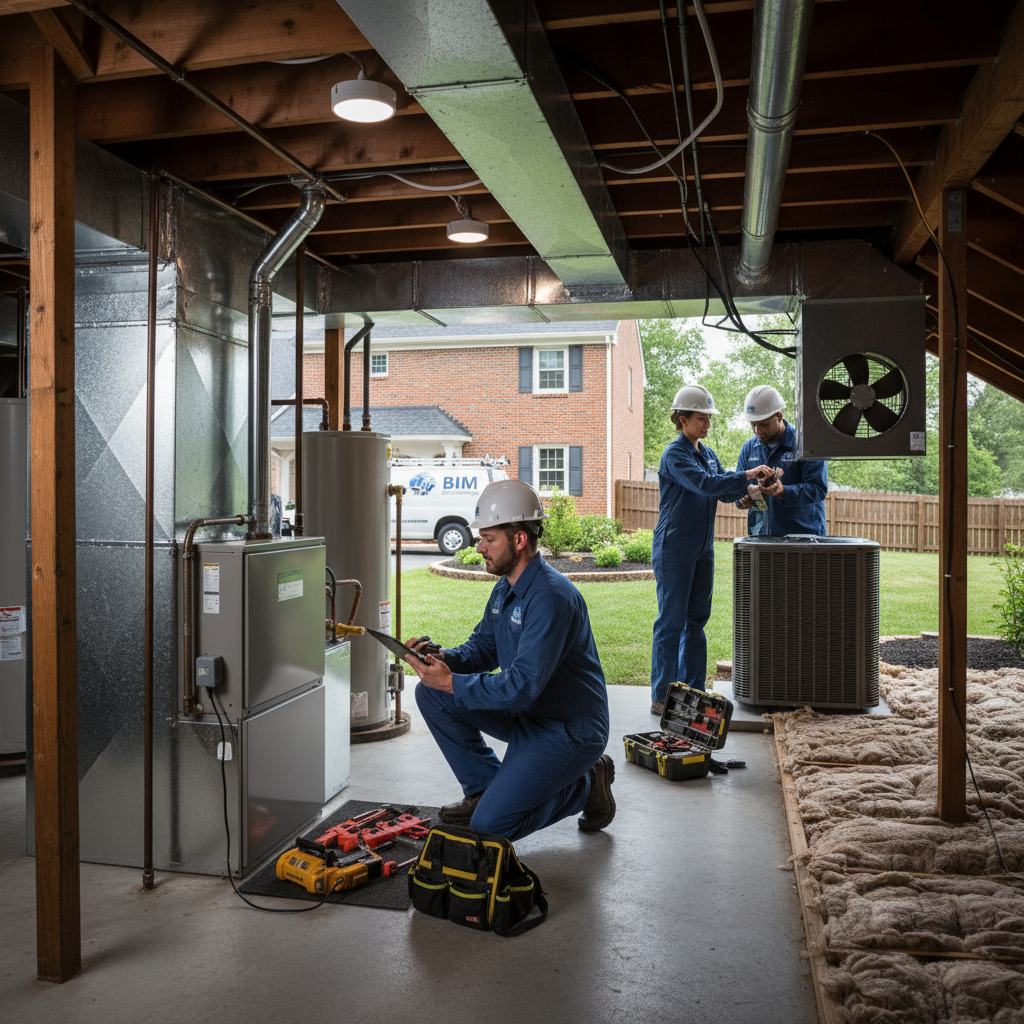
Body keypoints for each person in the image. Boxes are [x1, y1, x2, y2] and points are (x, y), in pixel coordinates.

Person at [404, 479, 614, 841]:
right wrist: (442, 660)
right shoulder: (506, 588)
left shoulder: (552, 598)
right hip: (528, 714)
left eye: (489, 539)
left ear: (519, 540)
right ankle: (484, 789)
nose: (479, 546)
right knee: (431, 694)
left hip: (567, 731)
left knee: (490, 827)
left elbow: (523, 685)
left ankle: (586, 784)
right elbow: (483, 649)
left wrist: (451, 681)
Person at [650, 384, 772, 716]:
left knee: (696, 621)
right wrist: (747, 473)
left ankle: (692, 689)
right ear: (681, 419)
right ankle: (661, 695)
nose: (707, 425)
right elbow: (705, 484)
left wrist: (750, 494)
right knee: (671, 621)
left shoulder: (707, 454)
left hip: (702, 548)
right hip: (674, 546)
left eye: (708, 419)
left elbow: (724, 490)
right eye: (701, 419)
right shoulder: (674, 455)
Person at [736, 385, 828, 536]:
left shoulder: (807, 445)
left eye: (763, 424)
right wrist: (742, 500)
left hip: (803, 539)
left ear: (778, 416)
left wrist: (783, 491)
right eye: (753, 425)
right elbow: (737, 488)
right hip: (761, 539)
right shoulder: (748, 448)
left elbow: (818, 489)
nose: (758, 430)